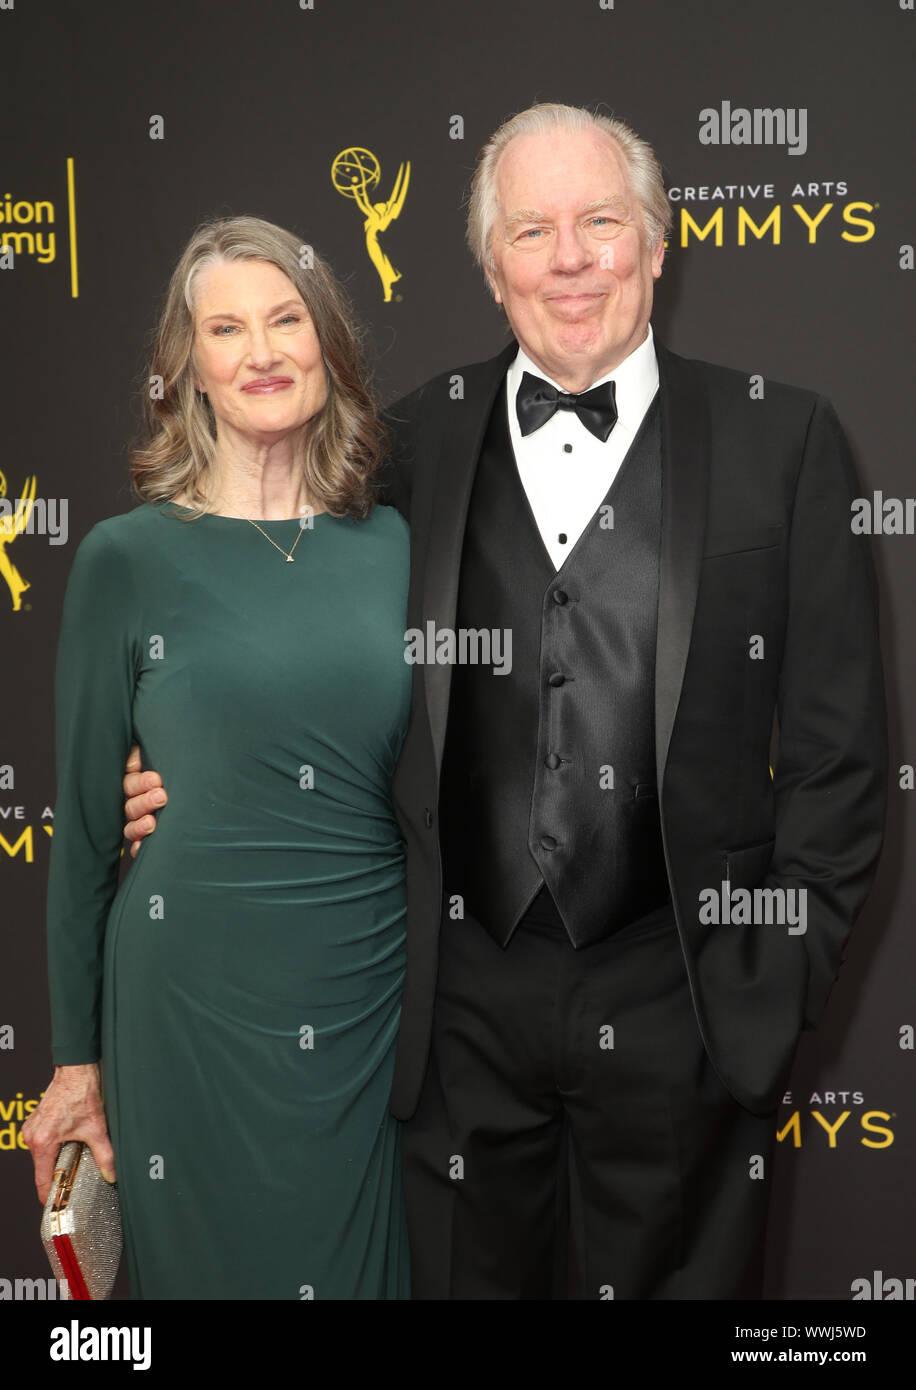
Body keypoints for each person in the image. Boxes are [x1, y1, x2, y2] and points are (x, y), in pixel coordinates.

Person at [122, 104, 888, 1299]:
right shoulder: (407, 444)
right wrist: (189, 765)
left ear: (656, 240)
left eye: (599, 222)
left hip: (683, 993)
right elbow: (296, 650)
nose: (569, 259)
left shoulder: (780, 440)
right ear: (490, 265)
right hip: (456, 1006)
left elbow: (844, 754)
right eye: (530, 231)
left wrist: (767, 981)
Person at [22, 216, 412, 1300]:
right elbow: (87, 838)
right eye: (225, 328)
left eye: (286, 319)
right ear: (186, 368)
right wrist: (74, 1064)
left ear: (328, 344)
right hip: (187, 999)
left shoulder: (394, 545)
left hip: (366, 999)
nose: (261, 352)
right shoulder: (125, 559)